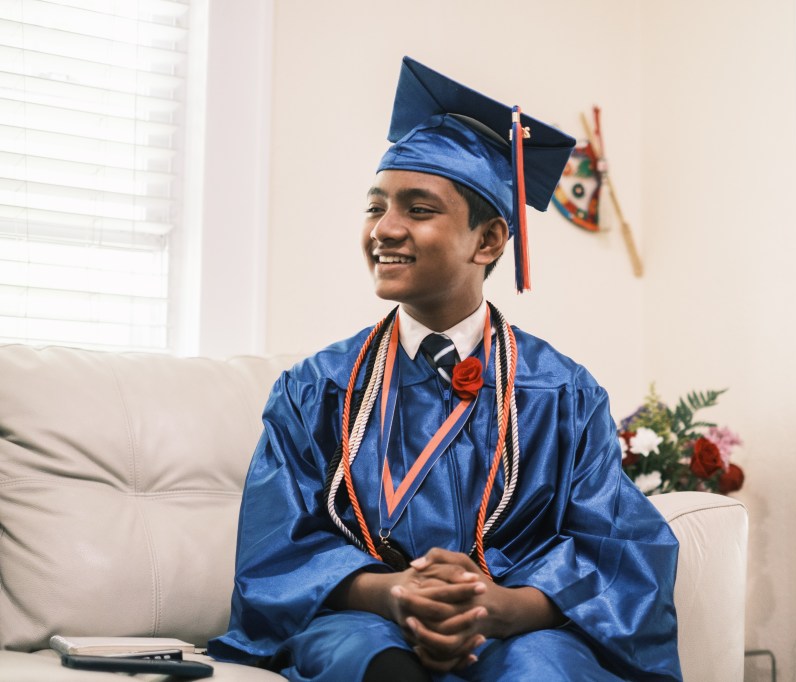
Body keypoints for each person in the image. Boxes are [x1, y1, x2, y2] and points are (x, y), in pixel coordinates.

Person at [209, 57, 683, 682]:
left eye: (418, 209)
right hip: (365, 617)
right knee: (367, 661)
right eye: (375, 206)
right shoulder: (317, 388)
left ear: (486, 242)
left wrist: (505, 608)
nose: (385, 228)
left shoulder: (561, 393)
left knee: (546, 670)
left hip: (517, 626)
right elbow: (276, 547)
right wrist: (393, 593)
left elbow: (618, 547)